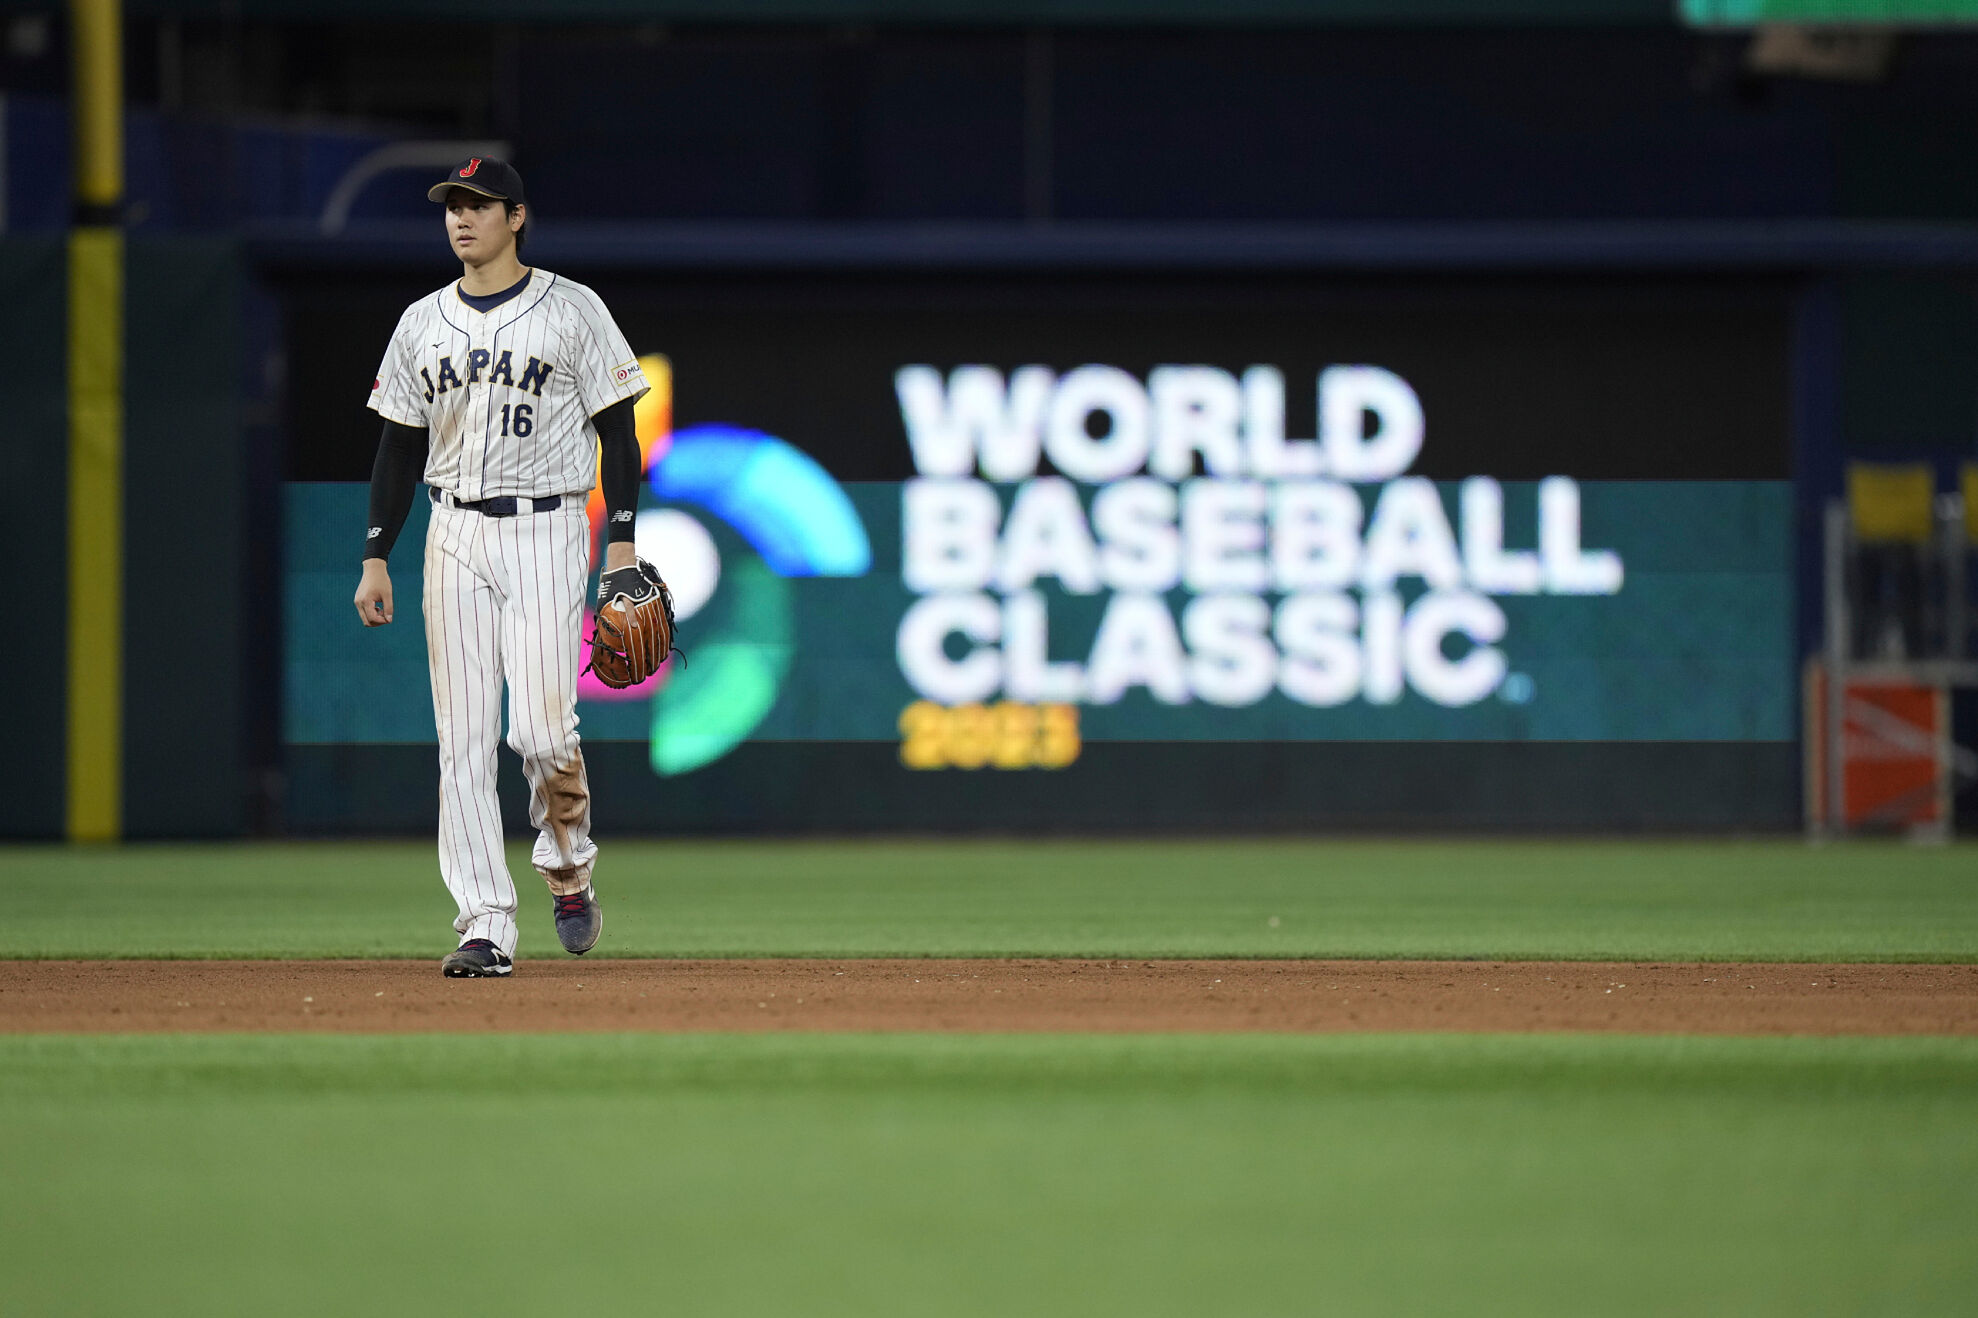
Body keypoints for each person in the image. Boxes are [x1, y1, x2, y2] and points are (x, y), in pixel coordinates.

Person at [353, 156, 653, 977]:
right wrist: (376, 553)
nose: (461, 219)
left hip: (547, 530)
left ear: (516, 217)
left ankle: (567, 868)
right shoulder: (421, 322)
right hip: (451, 534)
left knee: (543, 732)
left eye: (479, 206)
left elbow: (619, 431)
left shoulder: (572, 308)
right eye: (452, 206)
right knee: (463, 743)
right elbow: (396, 446)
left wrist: (620, 541)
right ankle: (484, 925)